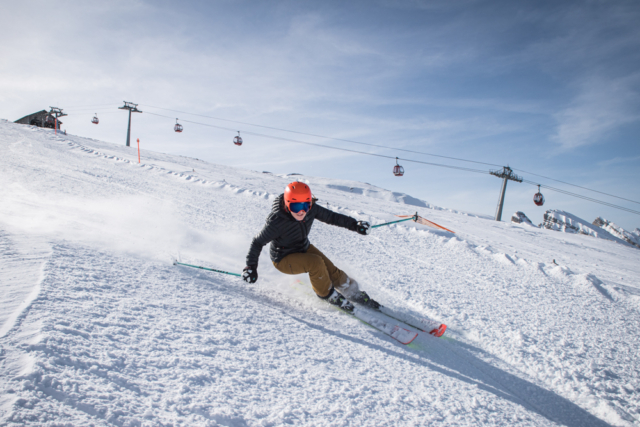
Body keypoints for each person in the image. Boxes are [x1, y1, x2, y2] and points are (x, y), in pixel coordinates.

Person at [243, 181, 380, 312]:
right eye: (296, 207)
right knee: (316, 263)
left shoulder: (310, 210)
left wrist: (355, 225)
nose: (302, 211)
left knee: (331, 270)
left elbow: (332, 217)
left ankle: (351, 290)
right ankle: (327, 294)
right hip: (283, 258)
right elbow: (257, 242)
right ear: (287, 204)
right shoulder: (277, 221)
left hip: (303, 247)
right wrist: (251, 267)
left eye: (306, 206)